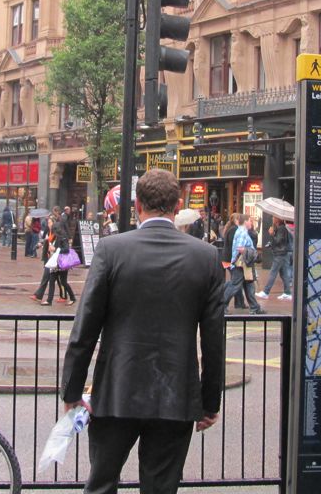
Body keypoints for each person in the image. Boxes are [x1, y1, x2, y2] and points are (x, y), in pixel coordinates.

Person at [61, 169, 225, 494]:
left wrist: (72, 392)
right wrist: (209, 402)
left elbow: (86, 327)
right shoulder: (206, 257)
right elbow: (214, 339)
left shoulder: (111, 250)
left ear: (137, 205)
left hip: (116, 391)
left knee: (102, 484)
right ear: (177, 206)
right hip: (175, 394)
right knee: (161, 487)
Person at [222, 214, 265, 314]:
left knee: (249, 285)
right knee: (235, 285)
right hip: (241, 264)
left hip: (243, 264)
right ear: (245, 222)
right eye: (250, 221)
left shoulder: (242, 231)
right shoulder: (242, 233)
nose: (251, 223)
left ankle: (255, 307)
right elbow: (240, 248)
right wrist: (247, 252)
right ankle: (222, 306)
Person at [257, 202, 294, 301]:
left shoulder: (282, 229)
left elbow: (279, 241)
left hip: (281, 254)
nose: (272, 218)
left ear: (278, 219)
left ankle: (266, 292)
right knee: (284, 274)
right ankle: (287, 292)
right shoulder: (281, 228)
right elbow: (278, 241)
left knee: (273, 272)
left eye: (274, 217)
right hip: (282, 253)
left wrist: (272, 234)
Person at [42, 216, 76, 306]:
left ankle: (73, 297)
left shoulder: (63, 237)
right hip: (56, 262)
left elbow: (66, 250)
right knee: (52, 280)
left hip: (62, 263)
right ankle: (49, 300)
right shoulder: (56, 237)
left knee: (63, 281)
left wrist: (55, 249)